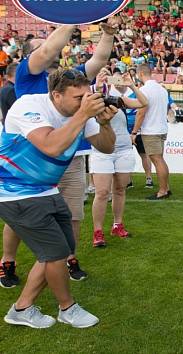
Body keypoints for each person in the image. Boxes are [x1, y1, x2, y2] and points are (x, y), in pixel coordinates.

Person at [3, 21, 118, 284]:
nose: (52, 50)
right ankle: (7, 261)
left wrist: (108, 34)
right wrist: (72, 18)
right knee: (19, 216)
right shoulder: (28, 75)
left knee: (72, 213)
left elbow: (99, 59)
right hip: (30, 162)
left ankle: (68, 258)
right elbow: (46, 52)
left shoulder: (74, 81)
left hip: (71, 159)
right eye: (44, 46)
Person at [0, 69, 116, 328]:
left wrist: (105, 123)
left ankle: (21, 308)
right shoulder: (29, 105)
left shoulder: (80, 112)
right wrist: (83, 114)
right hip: (15, 192)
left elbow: (106, 147)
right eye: (77, 97)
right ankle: (68, 308)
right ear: (56, 95)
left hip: (46, 189)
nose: (84, 101)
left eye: (87, 95)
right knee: (54, 254)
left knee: (60, 251)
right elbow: (51, 145)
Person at [91, 70, 148, 247]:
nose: (108, 79)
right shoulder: (92, 95)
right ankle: (98, 232)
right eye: (103, 75)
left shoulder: (118, 99)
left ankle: (117, 224)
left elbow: (143, 102)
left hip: (123, 150)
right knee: (101, 193)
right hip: (102, 151)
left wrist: (131, 84)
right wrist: (97, 87)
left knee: (120, 189)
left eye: (109, 76)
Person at [131, 64, 171, 200]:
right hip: (161, 128)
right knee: (160, 159)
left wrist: (134, 132)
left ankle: (162, 190)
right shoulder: (162, 89)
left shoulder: (144, 90)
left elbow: (141, 112)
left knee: (157, 160)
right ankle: (166, 187)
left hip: (151, 130)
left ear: (140, 73)